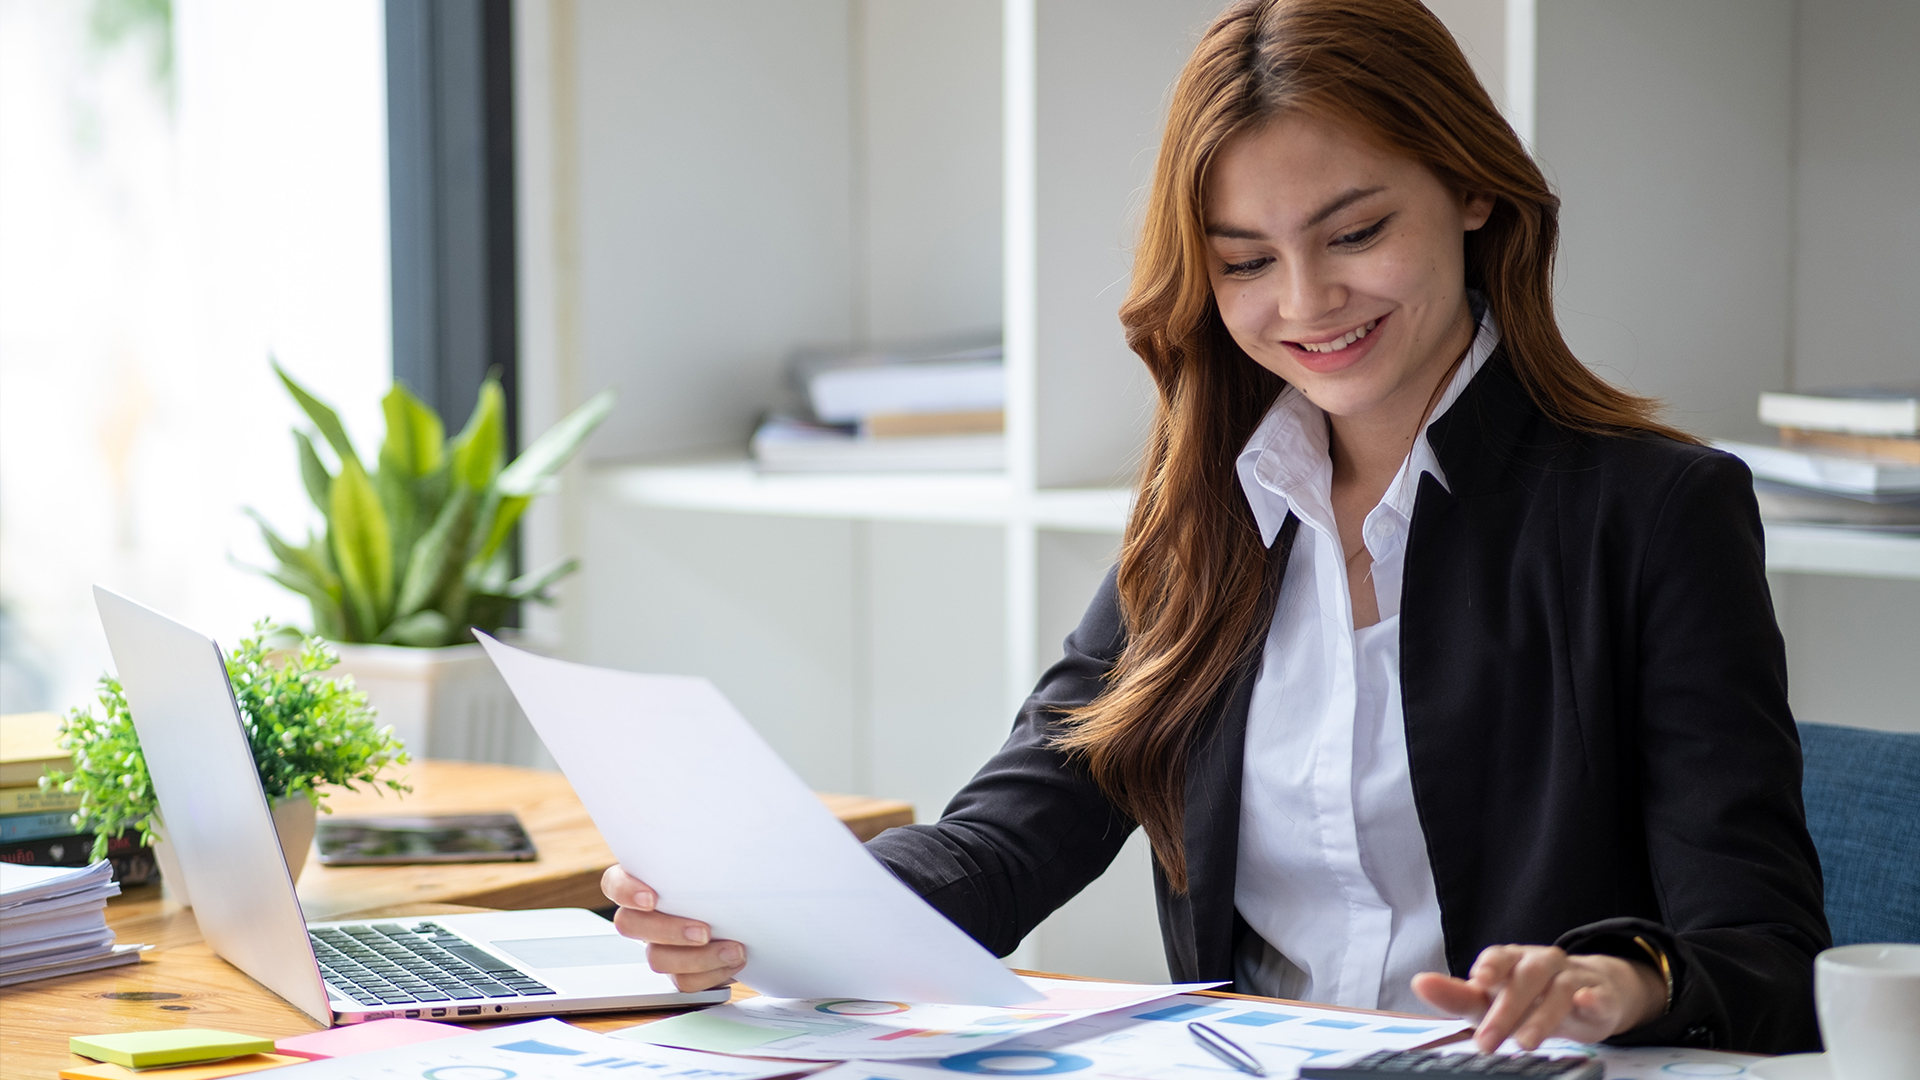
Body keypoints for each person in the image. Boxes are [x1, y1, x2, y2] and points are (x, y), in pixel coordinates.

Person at [602, 0, 1828, 1055]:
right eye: (1245, 262)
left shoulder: (1655, 511)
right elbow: (1009, 839)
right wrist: (779, 903)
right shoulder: (1208, 514)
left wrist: (1619, 984)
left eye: (1354, 234)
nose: (1306, 302)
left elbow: (1763, 954)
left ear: (1471, 192)